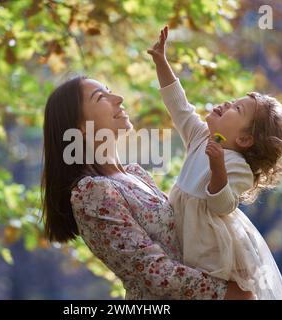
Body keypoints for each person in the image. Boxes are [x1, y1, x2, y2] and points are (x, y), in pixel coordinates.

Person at [41, 75, 252, 299]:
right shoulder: (92, 192)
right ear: (80, 126)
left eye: (110, 90)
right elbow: (153, 272)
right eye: (101, 97)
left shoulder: (135, 174)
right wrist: (228, 293)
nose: (119, 98)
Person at [147, 26, 282, 299]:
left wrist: (217, 166)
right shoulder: (200, 137)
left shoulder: (236, 166)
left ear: (244, 140)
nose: (226, 103)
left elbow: (222, 204)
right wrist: (162, 62)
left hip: (209, 252)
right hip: (183, 240)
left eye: (237, 108)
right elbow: (179, 106)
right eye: (233, 100)